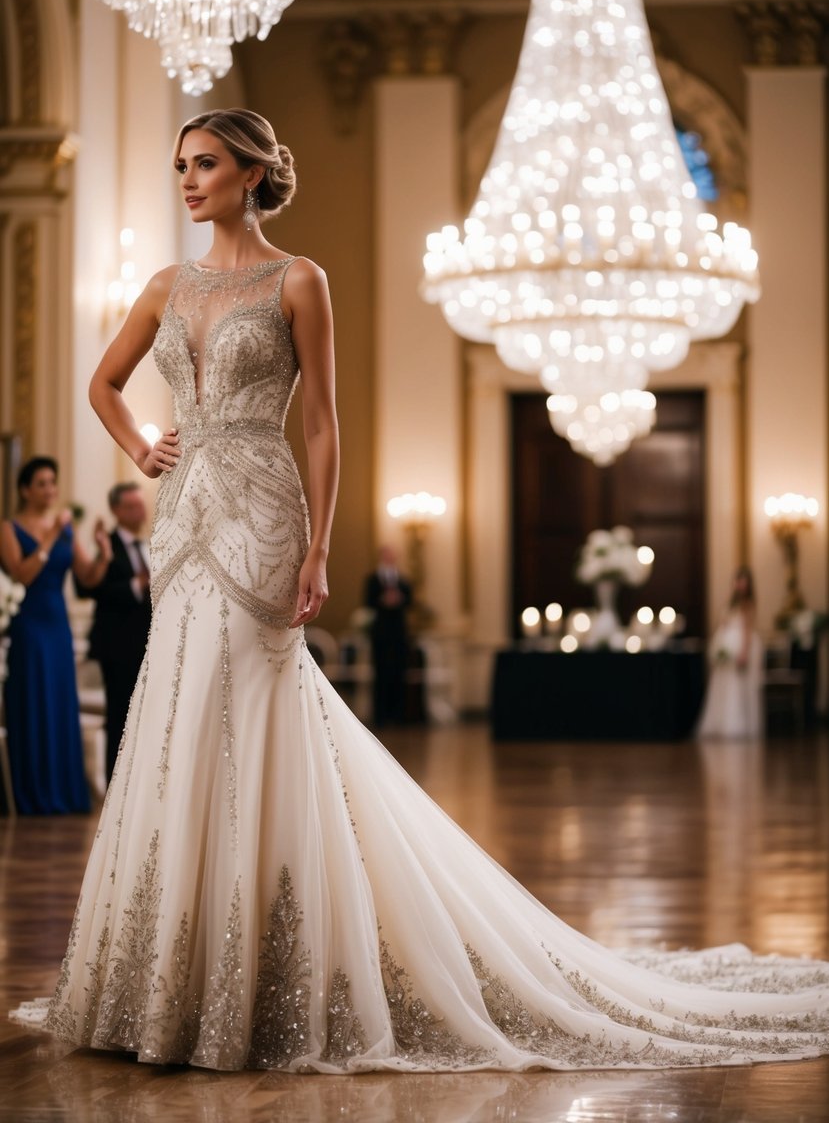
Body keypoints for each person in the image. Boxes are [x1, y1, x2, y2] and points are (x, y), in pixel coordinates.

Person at [18, 110, 827, 1071]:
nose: (187, 180)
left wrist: (319, 549)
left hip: (267, 515)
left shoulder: (297, 279)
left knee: (253, 706)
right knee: (180, 709)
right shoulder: (163, 284)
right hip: (188, 519)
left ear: (249, 174)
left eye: (205, 164)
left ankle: (272, 963)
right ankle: (173, 967)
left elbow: (320, 426)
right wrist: (142, 447)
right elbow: (104, 385)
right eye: (180, 166)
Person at [0, 456, 112, 814]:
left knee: (59, 704)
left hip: (58, 628)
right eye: (42, 483)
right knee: (33, 703)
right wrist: (48, 537)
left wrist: (103, 555)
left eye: (53, 482)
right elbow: (22, 575)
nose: (50, 490)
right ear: (25, 490)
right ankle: (30, 792)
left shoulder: (66, 530)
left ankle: (61, 791)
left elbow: (87, 580)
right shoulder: (9, 528)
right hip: (29, 628)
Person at [79, 482, 153, 782]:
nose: (140, 511)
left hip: (148, 644)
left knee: (147, 716)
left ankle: (143, 782)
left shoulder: (151, 542)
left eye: (141, 504)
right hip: (118, 645)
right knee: (120, 717)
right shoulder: (105, 545)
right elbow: (93, 590)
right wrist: (136, 585)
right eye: (132, 506)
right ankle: (116, 783)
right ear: (116, 510)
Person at [697, 566, 764, 739]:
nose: (740, 585)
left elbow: (748, 631)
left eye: (744, 582)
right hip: (726, 647)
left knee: (737, 687)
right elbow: (723, 624)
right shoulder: (730, 603)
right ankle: (720, 722)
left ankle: (738, 724)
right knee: (723, 685)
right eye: (738, 581)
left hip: (739, 647)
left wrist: (744, 652)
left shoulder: (748, 604)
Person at [364, 545, 412, 726]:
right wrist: (382, 600)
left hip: (399, 632)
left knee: (399, 673)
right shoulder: (373, 579)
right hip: (381, 632)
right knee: (381, 672)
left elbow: (410, 600)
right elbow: (367, 601)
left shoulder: (402, 579)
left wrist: (399, 600)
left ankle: (399, 715)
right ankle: (381, 716)